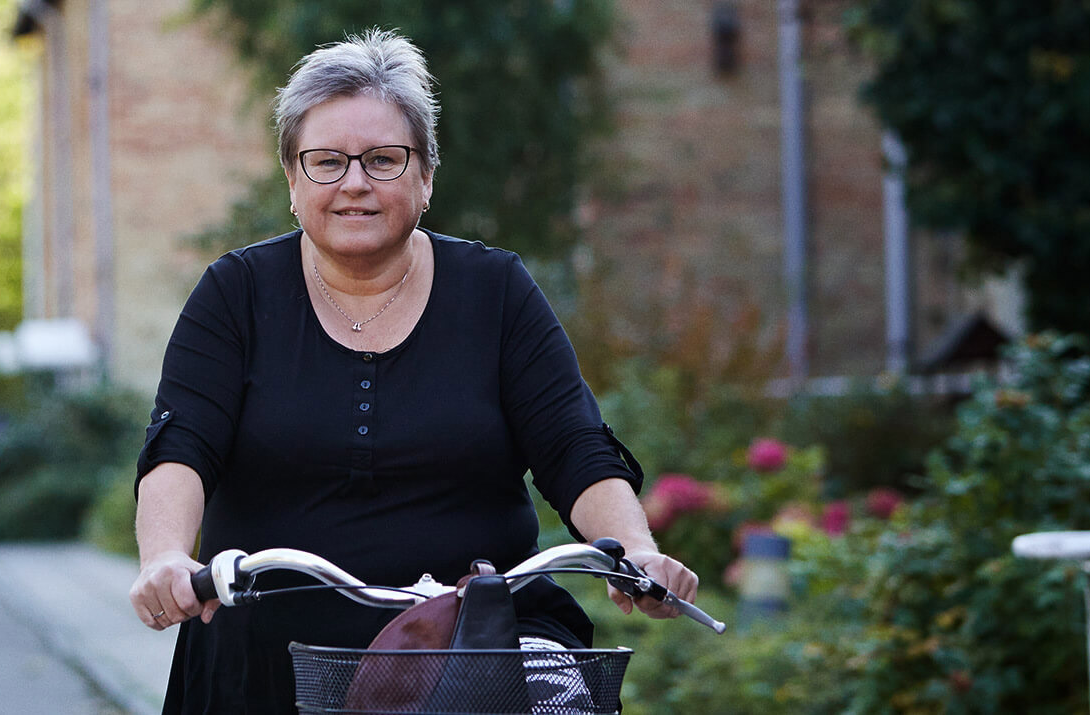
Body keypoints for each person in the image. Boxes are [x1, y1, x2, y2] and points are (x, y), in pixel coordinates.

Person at [128, 28, 700, 713]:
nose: (355, 183)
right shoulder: (235, 294)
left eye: (384, 159)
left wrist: (633, 548)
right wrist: (165, 556)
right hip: (270, 661)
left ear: (426, 176)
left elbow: (573, 445)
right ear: (292, 179)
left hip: (469, 652)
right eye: (326, 161)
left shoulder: (496, 292)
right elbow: (182, 442)